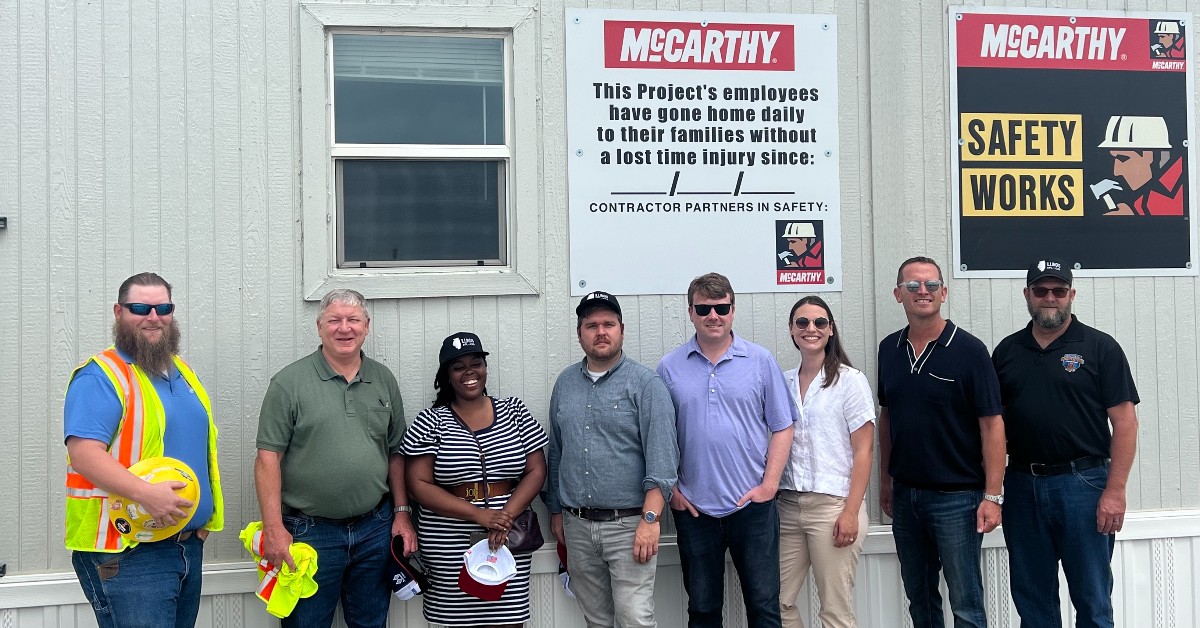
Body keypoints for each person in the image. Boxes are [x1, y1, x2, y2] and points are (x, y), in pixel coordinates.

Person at [64, 272, 224, 628]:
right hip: (129, 552)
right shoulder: (101, 376)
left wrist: (200, 518)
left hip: (184, 546)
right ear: (119, 312)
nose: (153, 317)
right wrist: (148, 496)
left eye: (162, 307)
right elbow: (84, 454)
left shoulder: (181, 372)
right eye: (141, 307)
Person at [255, 288, 415, 628]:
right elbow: (267, 458)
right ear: (319, 327)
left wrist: (401, 514)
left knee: (371, 623)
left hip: (375, 529)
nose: (345, 328)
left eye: (353, 320)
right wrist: (274, 529)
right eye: (335, 320)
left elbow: (395, 453)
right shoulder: (289, 383)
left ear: (367, 326)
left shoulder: (383, 379)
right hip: (309, 534)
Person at [992, 259, 1139, 628]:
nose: (1050, 298)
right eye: (1041, 291)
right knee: (1033, 599)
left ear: (1071, 294)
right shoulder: (1007, 352)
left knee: (1092, 599)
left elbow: (1125, 423)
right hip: (1023, 486)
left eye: (1059, 291)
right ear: (1027, 295)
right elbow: (991, 428)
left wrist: (1115, 491)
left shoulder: (1100, 347)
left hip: (1084, 485)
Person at [657, 272, 798, 628]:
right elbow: (658, 436)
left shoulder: (761, 361)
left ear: (733, 310)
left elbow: (783, 425)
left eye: (721, 307)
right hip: (695, 510)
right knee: (703, 610)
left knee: (764, 607)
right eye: (704, 308)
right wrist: (672, 490)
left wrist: (769, 486)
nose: (713, 316)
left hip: (752, 508)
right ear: (690, 312)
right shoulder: (669, 368)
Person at [877, 256, 1005, 628]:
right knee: (920, 599)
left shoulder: (970, 351)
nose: (922, 291)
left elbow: (992, 425)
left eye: (931, 285)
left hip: (958, 500)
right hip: (906, 497)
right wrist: (885, 481)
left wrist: (993, 496)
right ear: (898, 294)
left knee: (966, 602)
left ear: (943, 293)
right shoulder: (890, 349)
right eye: (913, 285)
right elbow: (888, 416)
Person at [546, 291, 680, 627]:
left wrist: (650, 521)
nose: (600, 331)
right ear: (580, 334)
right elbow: (558, 452)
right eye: (591, 325)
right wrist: (556, 512)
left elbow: (662, 459)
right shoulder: (564, 384)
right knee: (596, 620)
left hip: (630, 525)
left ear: (622, 329)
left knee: (635, 618)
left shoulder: (645, 385)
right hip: (576, 526)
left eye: (608, 324)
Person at [402, 331, 548, 627]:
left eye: (476, 363)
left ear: (485, 368)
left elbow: (536, 470)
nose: (470, 373)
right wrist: (479, 515)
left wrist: (503, 517)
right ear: (447, 375)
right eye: (459, 367)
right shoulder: (431, 421)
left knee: (508, 620)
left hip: (506, 538)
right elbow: (417, 485)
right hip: (447, 542)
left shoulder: (514, 411)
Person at [778, 296, 874, 628]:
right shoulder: (783, 382)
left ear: (830, 330)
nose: (811, 329)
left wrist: (851, 511)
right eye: (802, 322)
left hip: (833, 506)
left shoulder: (850, 381)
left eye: (820, 322)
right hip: (788, 505)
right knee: (776, 602)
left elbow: (864, 451)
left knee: (834, 610)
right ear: (791, 330)